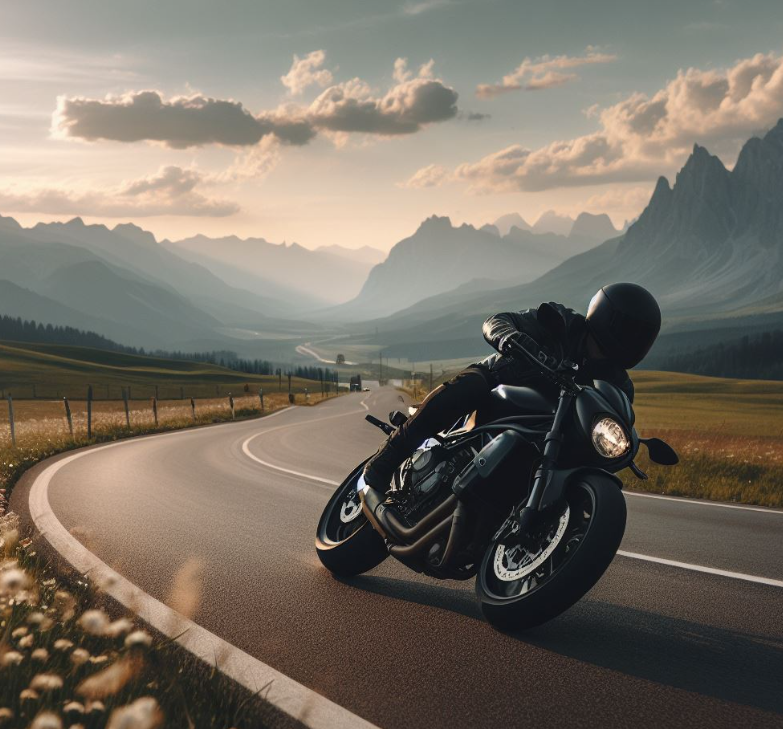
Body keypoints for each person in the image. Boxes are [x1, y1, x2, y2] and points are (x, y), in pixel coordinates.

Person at [362, 282, 662, 495]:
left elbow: (614, 416)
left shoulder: (619, 384)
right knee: (470, 387)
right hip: (502, 383)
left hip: (544, 428)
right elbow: (500, 321)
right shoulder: (561, 322)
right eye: (630, 330)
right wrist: (507, 337)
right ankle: (387, 458)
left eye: (642, 336)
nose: (634, 340)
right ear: (608, 318)